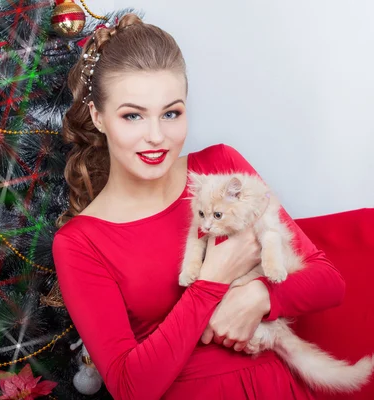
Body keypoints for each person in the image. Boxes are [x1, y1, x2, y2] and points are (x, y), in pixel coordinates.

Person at [52, 13, 346, 400]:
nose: (156, 136)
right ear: (98, 117)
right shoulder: (80, 242)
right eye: (133, 115)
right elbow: (130, 388)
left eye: (171, 113)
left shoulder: (219, 167)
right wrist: (212, 283)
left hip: (276, 387)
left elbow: (328, 281)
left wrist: (256, 298)